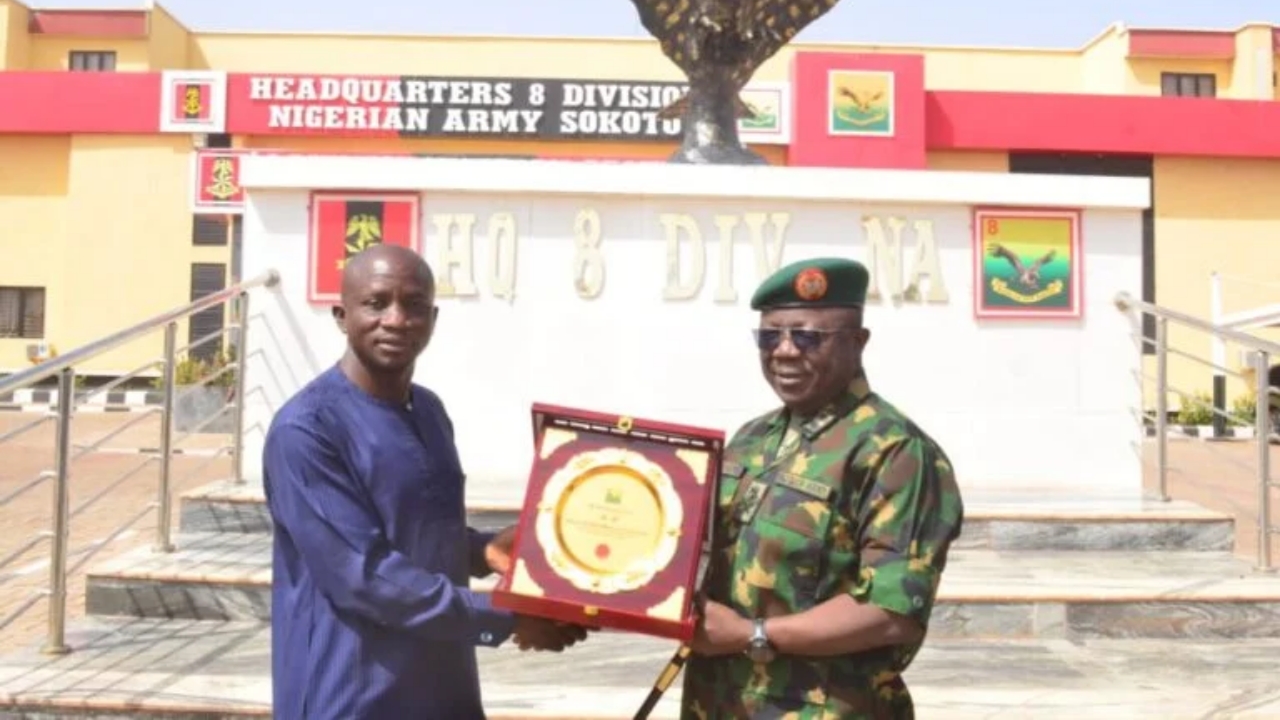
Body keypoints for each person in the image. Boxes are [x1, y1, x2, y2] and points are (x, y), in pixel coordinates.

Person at [262, 244, 587, 720]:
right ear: (341, 315)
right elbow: (365, 577)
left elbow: (413, 526)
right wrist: (511, 614)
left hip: (441, 687)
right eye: (376, 303)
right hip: (352, 691)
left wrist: (480, 551)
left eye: (414, 305)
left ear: (432, 319)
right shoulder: (306, 431)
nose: (396, 320)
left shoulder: (429, 411)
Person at [678, 257, 965, 719]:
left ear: (858, 342)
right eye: (769, 336)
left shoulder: (894, 452)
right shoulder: (752, 439)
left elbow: (892, 613)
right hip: (717, 703)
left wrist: (751, 635)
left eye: (807, 336)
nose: (785, 351)